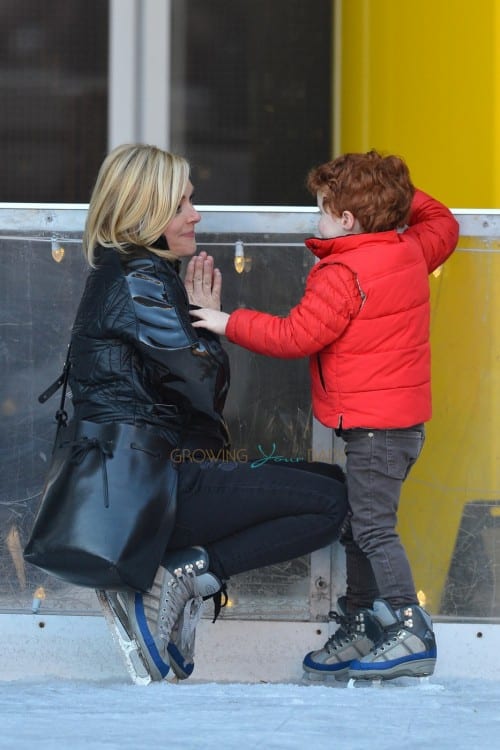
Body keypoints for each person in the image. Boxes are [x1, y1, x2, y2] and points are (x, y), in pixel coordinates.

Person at [68, 143, 348, 683]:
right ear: (143, 212)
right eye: (182, 205)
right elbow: (201, 389)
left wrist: (198, 330)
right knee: (334, 500)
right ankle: (182, 570)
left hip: (139, 479)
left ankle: (183, 568)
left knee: (326, 483)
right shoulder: (141, 277)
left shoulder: (126, 272)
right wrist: (209, 329)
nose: (196, 214)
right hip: (152, 486)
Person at [191, 149, 460, 682]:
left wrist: (227, 321)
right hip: (397, 426)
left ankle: (410, 626)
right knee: (362, 526)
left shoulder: (341, 272)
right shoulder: (409, 250)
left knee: (374, 529)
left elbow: (296, 335)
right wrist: (395, 195)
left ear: (346, 219)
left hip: (376, 428)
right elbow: (443, 222)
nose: (316, 219)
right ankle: (361, 617)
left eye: (321, 210)